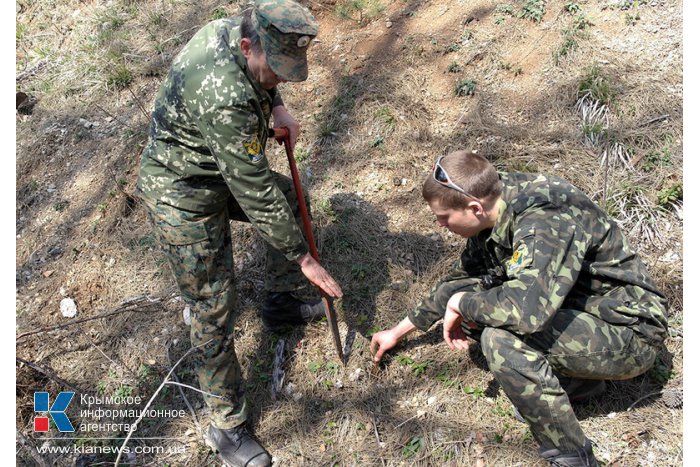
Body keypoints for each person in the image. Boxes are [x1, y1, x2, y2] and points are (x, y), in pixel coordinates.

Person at [136, 1, 342, 465]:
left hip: (219, 168)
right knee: (213, 305)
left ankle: (280, 302)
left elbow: (260, 80)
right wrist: (303, 257)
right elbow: (253, 189)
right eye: (278, 71)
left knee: (291, 199)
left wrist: (278, 104)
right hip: (182, 191)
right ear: (249, 45)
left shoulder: (239, 33)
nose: (283, 78)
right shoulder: (224, 95)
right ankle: (226, 427)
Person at [370, 150, 667, 467]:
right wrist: (399, 331)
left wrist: (463, 303)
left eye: (444, 217)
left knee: (500, 339)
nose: (439, 224)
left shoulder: (544, 218)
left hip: (628, 332)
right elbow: (460, 282)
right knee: (474, 307)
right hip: (576, 312)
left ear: (474, 208)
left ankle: (572, 456)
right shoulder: (493, 204)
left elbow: (528, 312)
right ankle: (580, 384)